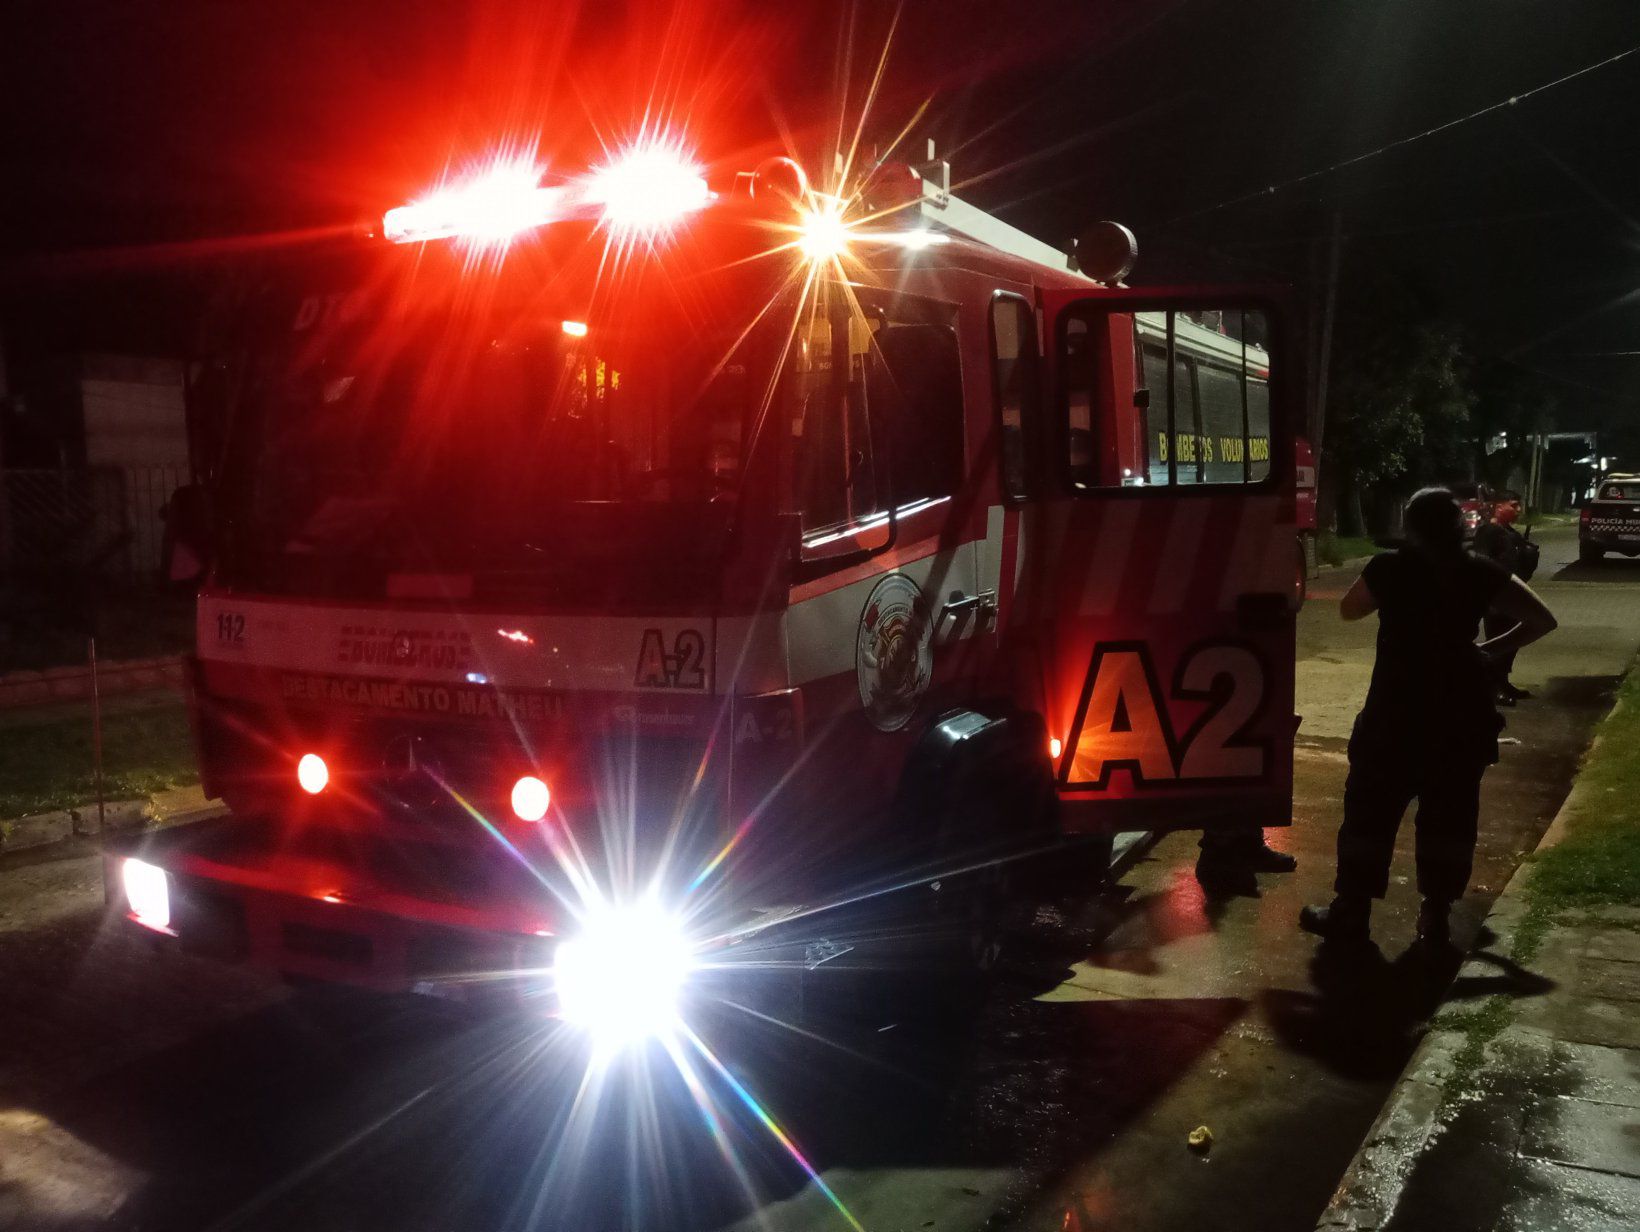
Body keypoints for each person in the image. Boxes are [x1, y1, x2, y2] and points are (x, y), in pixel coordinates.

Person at [1300, 488, 1556, 947]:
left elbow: (1348, 610)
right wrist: (1485, 650)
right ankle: (1435, 916)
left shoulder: (1390, 569)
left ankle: (1351, 912)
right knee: (1450, 819)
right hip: (1459, 717)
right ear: (1459, 526)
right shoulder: (1481, 572)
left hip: (1394, 715)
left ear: (1411, 525)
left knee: (1369, 817)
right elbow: (1542, 621)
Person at [1472, 491, 1538, 704]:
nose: (1518, 510)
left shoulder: (1508, 532)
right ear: (1498, 506)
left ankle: (1503, 682)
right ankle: (1493, 687)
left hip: (1510, 594)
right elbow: (1483, 564)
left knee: (1512, 641)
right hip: (1496, 597)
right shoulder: (1488, 532)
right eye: (1514, 505)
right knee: (1499, 640)